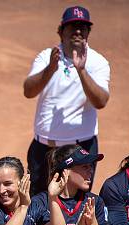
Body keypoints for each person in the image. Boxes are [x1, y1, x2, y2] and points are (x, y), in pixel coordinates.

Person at [23, 5, 110, 195]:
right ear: (61, 31)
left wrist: (81, 71)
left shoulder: (97, 62)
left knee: (76, 203)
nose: (78, 31)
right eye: (72, 26)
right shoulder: (47, 57)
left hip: (81, 148)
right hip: (44, 148)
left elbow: (100, 101)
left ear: (88, 32)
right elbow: (28, 91)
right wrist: (50, 69)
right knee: (37, 202)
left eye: (83, 27)